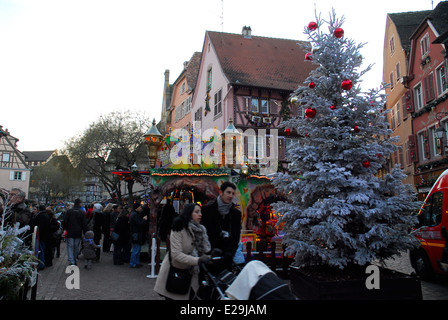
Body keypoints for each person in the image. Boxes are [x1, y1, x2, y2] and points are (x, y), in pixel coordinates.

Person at [153, 203, 211, 300]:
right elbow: (176, 254)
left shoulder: (200, 230)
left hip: (191, 275)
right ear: (189, 213)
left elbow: (204, 250)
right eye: (196, 212)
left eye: (200, 212)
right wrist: (198, 260)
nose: (200, 214)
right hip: (175, 273)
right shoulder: (179, 228)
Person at [201, 181, 242, 273]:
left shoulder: (235, 214)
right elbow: (202, 232)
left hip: (227, 257)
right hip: (210, 256)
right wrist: (208, 252)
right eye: (228, 192)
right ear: (221, 192)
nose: (231, 196)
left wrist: (230, 253)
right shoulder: (206, 210)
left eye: (232, 193)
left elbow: (236, 235)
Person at [63, 199, 87, 265]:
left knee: (70, 246)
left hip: (70, 231)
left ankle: (71, 260)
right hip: (78, 232)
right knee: (76, 246)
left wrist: (65, 228)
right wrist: (85, 232)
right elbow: (84, 224)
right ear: (79, 204)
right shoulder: (82, 212)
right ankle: (74, 258)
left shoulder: (69, 211)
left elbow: (65, 221)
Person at [32, 204, 51, 270]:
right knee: (42, 249)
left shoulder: (40, 216)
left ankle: (41, 264)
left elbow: (39, 227)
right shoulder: (46, 215)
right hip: (45, 236)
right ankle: (42, 263)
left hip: (41, 236)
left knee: (40, 250)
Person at [129, 202, 147, 268]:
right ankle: (133, 263)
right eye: (139, 207)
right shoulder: (135, 215)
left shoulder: (134, 214)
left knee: (137, 249)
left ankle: (135, 262)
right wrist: (144, 219)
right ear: (136, 208)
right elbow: (139, 224)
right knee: (136, 249)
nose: (140, 208)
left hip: (136, 233)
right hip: (136, 233)